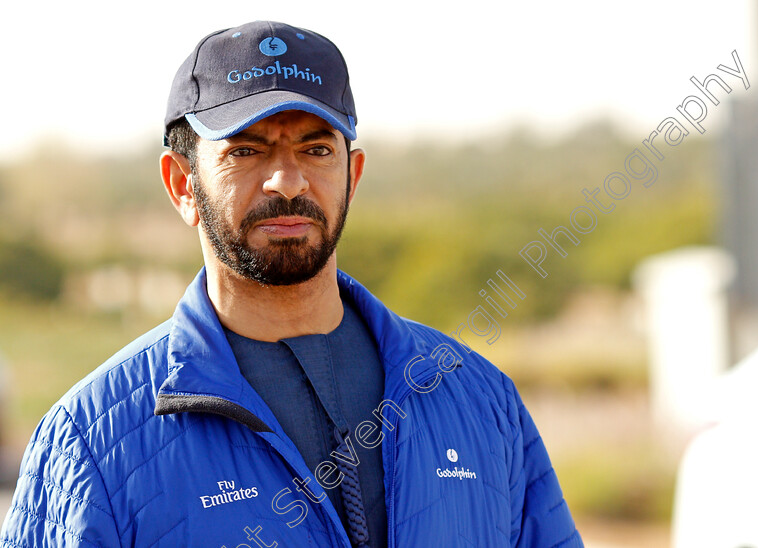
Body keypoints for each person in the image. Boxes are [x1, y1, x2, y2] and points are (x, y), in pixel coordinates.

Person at [0, 21, 583, 547]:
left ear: (351, 176)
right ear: (182, 184)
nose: (286, 180)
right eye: (247, 150)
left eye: (317, 148)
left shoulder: (479, 400)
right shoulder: (91, 442)